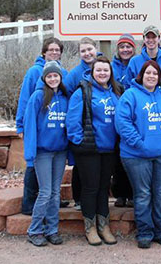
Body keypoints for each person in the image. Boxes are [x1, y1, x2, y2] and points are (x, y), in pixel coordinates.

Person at [116, 60, 161, 249]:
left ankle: (160, 230)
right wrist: (139, 143)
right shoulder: (130, 96)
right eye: (148, 73)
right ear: (141, 76)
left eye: (155, 73)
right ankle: (144, 232)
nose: (151, 76)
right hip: (136, 155)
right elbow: (122, 123)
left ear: (160, 78)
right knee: (142, 194)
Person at [66, 56, 122, 246]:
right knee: (90, 188)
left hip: (109, 149)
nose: (102, 73)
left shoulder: (115, 91)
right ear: (92, 72)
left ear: (110, 72)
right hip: (89, 148)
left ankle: (103, 225)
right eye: (98, 70)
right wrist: (79, 141)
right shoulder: (82, 92)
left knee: (103, 187)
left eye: (106, 70)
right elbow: (72, 122)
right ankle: (90, 227)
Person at [16, 37, 67, 215]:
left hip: (55, 131)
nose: (54, 53)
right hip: (37, 128)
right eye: (50, 50)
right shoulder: (34, 72)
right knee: (33, 165)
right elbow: (25, 99)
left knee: (51, 179)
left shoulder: (62, 72)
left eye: (57, 50)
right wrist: (21, 125)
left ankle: (52, 203)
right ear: (44, 52)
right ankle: (29, 204)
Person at [24, 61, 69, 247]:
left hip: (60, 151)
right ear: (44, 78)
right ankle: (34, 230)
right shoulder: (38, 97)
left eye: (55, 76)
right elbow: (30, 126)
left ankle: (52, 230)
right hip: (42, 152)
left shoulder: (66, 98)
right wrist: (30, 152)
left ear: (60, 77)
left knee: (55, 192)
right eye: (49, 76)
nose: (53, 79)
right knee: (45, 192)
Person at [63, 37, 100, 211]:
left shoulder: (103, 67)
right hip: (81, 124)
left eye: (89, 49)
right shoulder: (75, 74)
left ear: (96, 48)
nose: (87, 53)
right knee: (80, 165)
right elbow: (64, 93)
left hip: (100, 125)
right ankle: (78, 198)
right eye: (83, 51)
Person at [111, 34, 136, 208]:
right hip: (114, 117)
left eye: (128, 46)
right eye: (122, 47)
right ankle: (120, 194)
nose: (125, 50)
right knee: (117, 159)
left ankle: (133, 194)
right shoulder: (111, 67)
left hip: (134, 117)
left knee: (133, 158)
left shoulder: (138, 64)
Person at [124, 25, 161, 93]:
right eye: (148, 37)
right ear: (144, 39)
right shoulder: (134, 62)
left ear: (158, 38)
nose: (151, 40)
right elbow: (129, 87)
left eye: (154, 37)